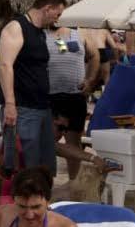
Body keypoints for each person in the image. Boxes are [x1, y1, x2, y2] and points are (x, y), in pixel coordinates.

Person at [0, 0, 67, 175]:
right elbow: (4, 65)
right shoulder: (16, 27)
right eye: (57, 14)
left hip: (42, 107)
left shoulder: (41, 32)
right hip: (23, 108)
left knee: (45, 168)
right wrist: (10, 104)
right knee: (25, 169)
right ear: (47, 8)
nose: (57, 19)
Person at [45, 25, 88, 179]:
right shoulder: (39, 35)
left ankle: (74, 182)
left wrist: (90, 79)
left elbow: (95, 56)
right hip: (50, 96)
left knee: (74, 142)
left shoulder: (80, 33)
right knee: (47, 143)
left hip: (75, 97)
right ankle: (44, 181)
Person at [0, 167, 75, 227]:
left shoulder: (65, 226)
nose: (29, 216)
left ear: (48, 202)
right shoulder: (2, 214)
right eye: (22, 206)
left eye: (36, 207)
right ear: (14, 200)